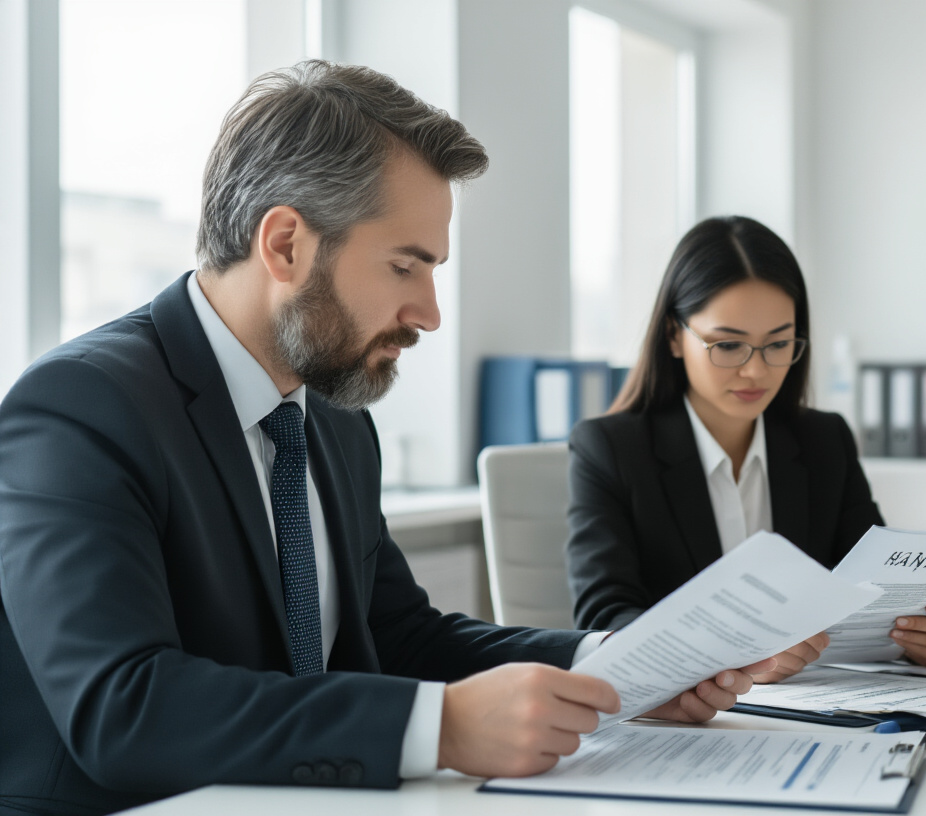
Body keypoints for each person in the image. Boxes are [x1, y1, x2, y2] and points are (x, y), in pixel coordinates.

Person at [0, 61, 770, 816]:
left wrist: (614, 669)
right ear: (286, 245)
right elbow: (122, 708)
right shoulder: (82, 408)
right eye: (406, 266)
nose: (430, 313)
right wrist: (441, 728)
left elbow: (398, 636)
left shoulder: (333, 418)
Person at [566, 215, 926, 681]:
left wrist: (923, 635)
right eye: (728, 346)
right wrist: (732, 656)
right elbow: (605, 620)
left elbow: (876, 592)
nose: (756, 372)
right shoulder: (610, 450)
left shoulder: (825, 442)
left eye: (778, 343)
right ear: (674, 336)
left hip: (821, 710)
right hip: (690, 722)